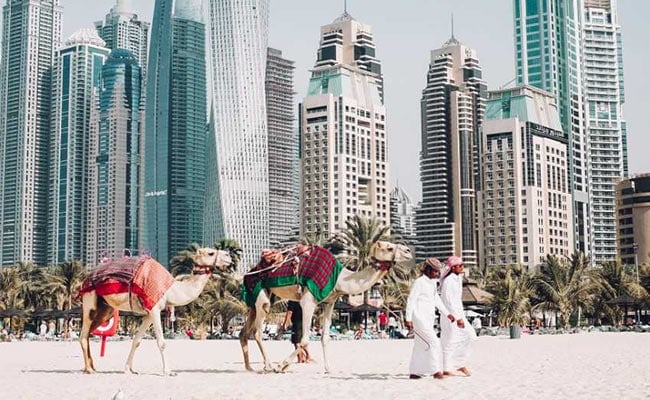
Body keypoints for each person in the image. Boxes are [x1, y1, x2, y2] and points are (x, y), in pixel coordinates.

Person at [404, 258, 455, 380]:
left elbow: (436, 300)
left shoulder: (432, 283)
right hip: (419, 318)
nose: (437, 274)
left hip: (429, 318)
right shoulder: (419, 282)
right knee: (434, 342)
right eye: (435, 271)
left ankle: (415, 372)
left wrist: (447, 313)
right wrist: (408, 319)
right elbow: (411, 300)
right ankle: (436, 371)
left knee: (420, 345)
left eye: (438, 272)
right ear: (428, 270)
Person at [440, 256, 477, 377]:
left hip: (459, 314)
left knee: (471, 336)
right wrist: (457, 318)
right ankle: (447, 368)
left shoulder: (458, 279)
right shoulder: (448, 281)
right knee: (449, 341)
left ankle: (459, 363)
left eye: (462, 265)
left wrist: (460, 316)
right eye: (460, 265)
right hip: (451, 316)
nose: (462, 267)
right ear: (453, 267)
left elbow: (457, 300)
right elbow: (448, 301)